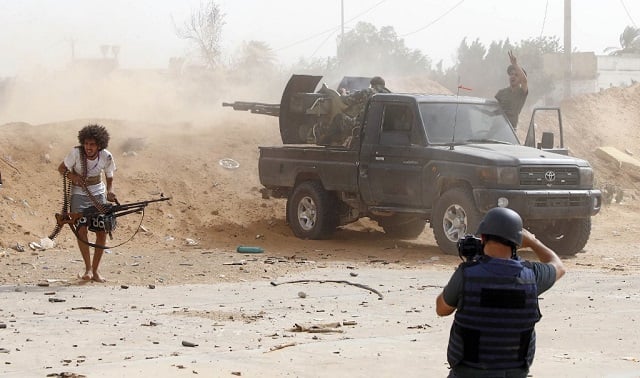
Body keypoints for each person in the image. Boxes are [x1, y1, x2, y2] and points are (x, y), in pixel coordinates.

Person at [435, 207, 566, 378]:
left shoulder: (466, 274)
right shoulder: (531, 276)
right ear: (517, 243)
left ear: (482, 237)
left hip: (468, 373)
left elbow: (441, 309)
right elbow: (559, 266)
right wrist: (533, 242)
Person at [57, 124, 117, 283]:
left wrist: (110, 191)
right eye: (86, 144)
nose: (88, 147)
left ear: (99, 145)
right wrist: (73, 177)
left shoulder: (106, 156)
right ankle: (88, 269)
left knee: (101, 231)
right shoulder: (76, 153)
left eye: (92, 144)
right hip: (78, 194)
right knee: (81, 229)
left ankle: (96, 271)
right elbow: (61, 168)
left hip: (97, 194)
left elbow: (109, 175)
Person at [495, 51, 528, 129]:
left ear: (520, 79)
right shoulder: (501, 93)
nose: (513, 76)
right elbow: (495, 111)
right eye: (511, 74)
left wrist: (515, 64)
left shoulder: (521, 92)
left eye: (516, 75)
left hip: (511, 131)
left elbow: (525, 81)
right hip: (497, 128)